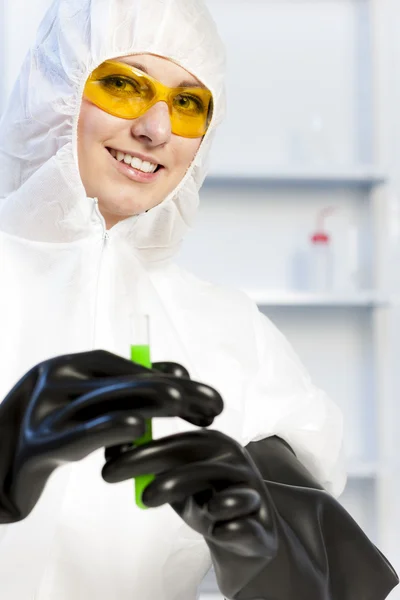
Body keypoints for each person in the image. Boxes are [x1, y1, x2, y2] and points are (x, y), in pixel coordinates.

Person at [0, 0, 397, 598]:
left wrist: (265, 561)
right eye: (125, 86)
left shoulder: (234, 337)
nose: (156, 129)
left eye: (187, 103)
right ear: (55, 87)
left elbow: (337, 583)